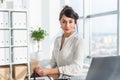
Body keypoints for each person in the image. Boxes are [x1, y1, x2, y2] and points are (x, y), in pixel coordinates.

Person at [35, 5, 84, 77]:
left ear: (75, 23)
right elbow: (53, 62)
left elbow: (77, 67)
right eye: (64, 21)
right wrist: (43, 69)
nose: (67, 25)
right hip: (59, 77)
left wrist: (50, 71)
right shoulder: (57, 40)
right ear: (60, 22)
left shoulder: (78, 40)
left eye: (70, 22)